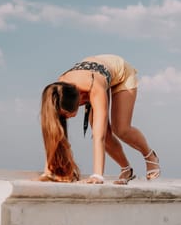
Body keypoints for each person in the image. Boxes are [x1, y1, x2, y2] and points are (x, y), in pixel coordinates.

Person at [37, 54, 160, 184]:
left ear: (80, 97)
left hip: (121, 73)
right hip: (97, 74)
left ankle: (150, 156)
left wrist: (97, 176)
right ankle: (126, 169)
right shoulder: (59, 91)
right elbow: (54, 133)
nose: (68, 118)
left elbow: (98, 136)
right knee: (106, 135)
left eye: (68, 113)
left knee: (121, 129)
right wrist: (48, 171)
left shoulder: (94, 88)